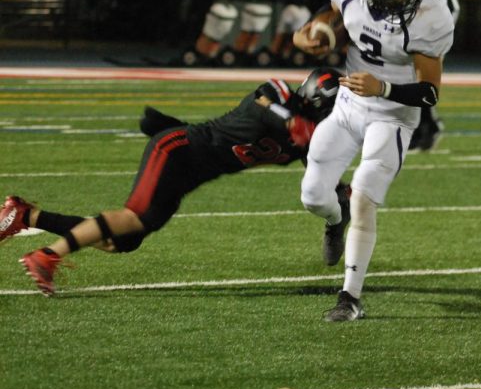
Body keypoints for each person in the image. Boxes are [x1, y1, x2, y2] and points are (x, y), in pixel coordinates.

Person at [3, 69, 345, 296]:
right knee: (134, 216)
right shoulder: (280, 95)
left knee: (123, 242)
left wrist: (341, 196)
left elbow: (319, 175)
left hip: (191, 174)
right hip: (177, 150)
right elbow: (263, 105)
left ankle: (27, 216)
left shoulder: (309, 138)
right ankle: (47, 256)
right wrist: (291, 122)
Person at [292, 0, 454, 321]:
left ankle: (350, 298)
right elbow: (330, 16)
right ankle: (336, 218)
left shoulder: (432, 17)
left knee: (365, 196)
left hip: (394, 115)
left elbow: (430, 94)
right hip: (349, 104)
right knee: (313, 196)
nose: (402, 1)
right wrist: (311, 33)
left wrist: (383, 87)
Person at [393, 0, 460, 152]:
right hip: (406, 37)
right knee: (408, 83)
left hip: (429, 36)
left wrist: (439, 37)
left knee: (422, 83)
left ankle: (427, 129)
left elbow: (451, 4)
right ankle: (424, 130)